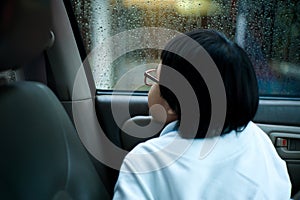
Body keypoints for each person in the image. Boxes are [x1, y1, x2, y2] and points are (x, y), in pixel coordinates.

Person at [113, 29, 291, 199]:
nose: (151, 87)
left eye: (154, 80)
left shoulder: (146, 162)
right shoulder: (256, 139)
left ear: (170, 105)